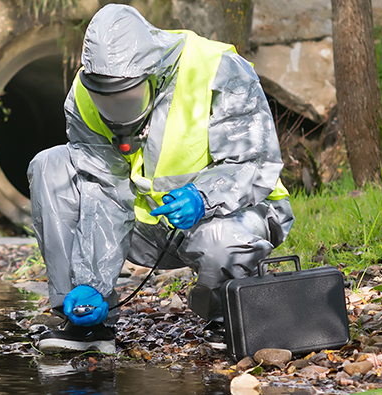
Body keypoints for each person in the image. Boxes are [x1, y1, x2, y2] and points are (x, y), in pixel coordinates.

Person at [27, 3, 295, 354]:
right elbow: (101, 189)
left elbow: (255, 162)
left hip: (228, 214)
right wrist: (92, 279)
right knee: (52, 164)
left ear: (152, 75)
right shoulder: (84, 95)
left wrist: (203, 196)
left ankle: (225, 314)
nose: (115, 114)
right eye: (106, 100)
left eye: (127, 98)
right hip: (147, 226)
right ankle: (84, 318)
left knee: (221, 239)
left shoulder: (218, 69)